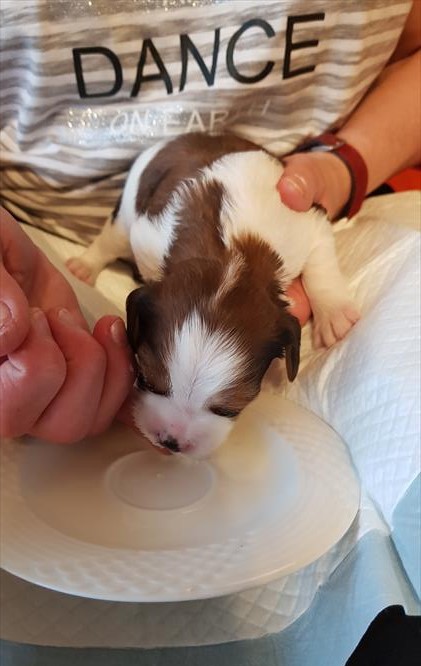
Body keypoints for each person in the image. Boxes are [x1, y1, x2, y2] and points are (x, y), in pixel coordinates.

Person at [1, 0, 419, 440]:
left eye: (224, 406)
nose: (175, 435)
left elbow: (315, 230)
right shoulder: (153, 240)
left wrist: (327, 287)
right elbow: (132, 222)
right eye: (152, 383)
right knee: (119, 231)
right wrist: (98, 257)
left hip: (327, 177)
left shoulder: (284, 232)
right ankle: (96, 253)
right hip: (45, 225)